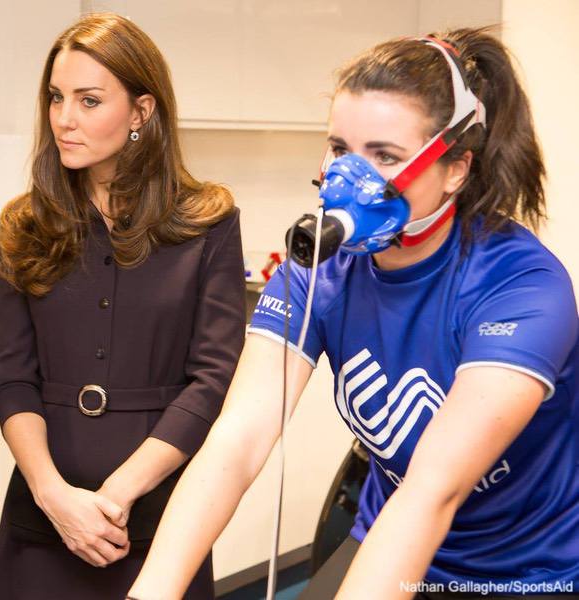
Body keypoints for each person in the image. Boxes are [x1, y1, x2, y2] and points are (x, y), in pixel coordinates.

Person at [128, 27, 578, 600]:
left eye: (385, 156)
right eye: (340, 149)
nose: (348, 178)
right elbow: (237, 441)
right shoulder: (320, 268)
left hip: (528, 573)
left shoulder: (520, 286)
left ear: (456, 169)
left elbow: (433, 490)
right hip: (387, 536)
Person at [0, 12, 246, 600]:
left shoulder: (208, 222)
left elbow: (212, 381)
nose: (64, 119)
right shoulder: (25, 224)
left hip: (157, 518)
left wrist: (113, 499)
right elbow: (12, 378)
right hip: (41, 515)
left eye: (89, 100)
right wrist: (54, 496)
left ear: (141, 112)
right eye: (56, 98)